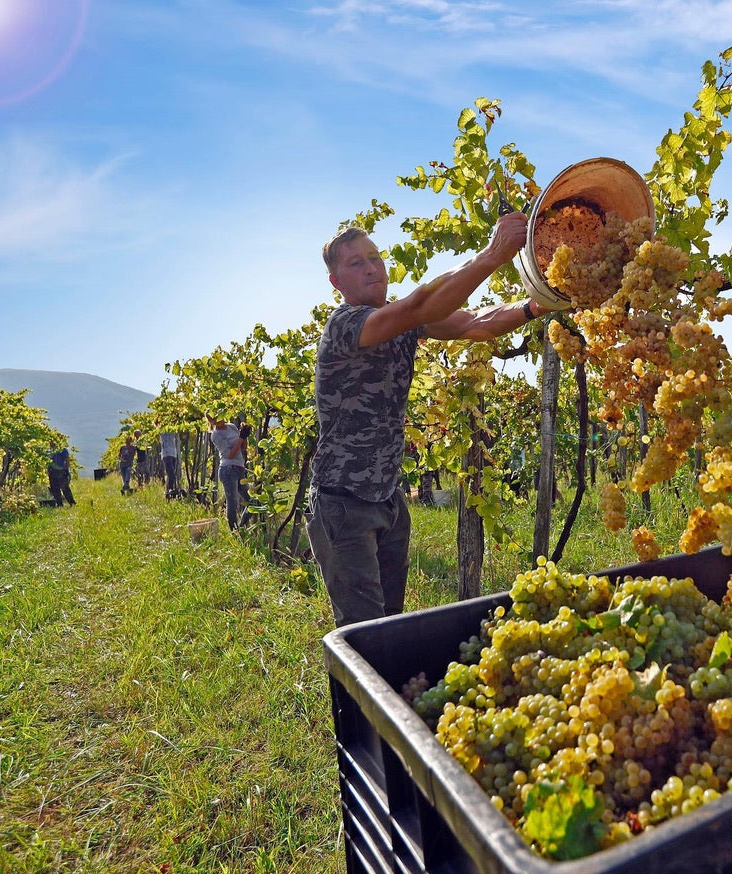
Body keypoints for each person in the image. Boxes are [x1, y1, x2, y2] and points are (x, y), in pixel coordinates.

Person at [306, 212, 550, 628]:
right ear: (336, 283)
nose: (370, 268)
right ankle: (353, 696)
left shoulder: (401, 322)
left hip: (387, 497)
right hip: (343, 502)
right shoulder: (346, 324)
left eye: (374, 257)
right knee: (362, 638)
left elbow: (475, 323)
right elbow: (420, 304)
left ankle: (387, 693)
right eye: (355, 263)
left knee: (390, 626)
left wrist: (536, 304)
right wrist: (492, 255)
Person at [206, 413, 251, 530]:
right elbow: (230, 455)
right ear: (211, 421)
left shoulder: (231, 426)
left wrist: (245, 434)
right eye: (213, 418)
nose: (217, 419)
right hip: (228, 470)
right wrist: (241, 437)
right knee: (233, 504)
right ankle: (234, 532)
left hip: (240, 468)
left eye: (217, 415)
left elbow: (243, 446)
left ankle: (241, 528)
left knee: (252, 501)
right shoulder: (215, 435)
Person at [47, 439, 76, 506]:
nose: (51, 443)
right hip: (52, 472)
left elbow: (67, 461)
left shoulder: (63, 450)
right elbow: (48, 462)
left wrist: (65, 470)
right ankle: (59, 504)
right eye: (50, 442)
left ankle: (71, 503)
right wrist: (48, 471)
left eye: (52, 441)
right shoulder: (49, 451)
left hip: (61, 471)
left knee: (65, 488)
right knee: (55, 489)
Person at [159, 428, 181, 498]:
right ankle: (170, 490)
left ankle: (168, 492)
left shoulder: (173, 427)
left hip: (173, 453)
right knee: (171, 474)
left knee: (171, 474)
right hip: (166, 453)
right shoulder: (162, 428)